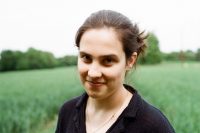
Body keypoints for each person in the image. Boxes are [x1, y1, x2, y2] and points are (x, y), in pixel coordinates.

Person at [55, 10, 175, 133]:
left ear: (130, 61)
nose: (93, 73)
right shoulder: (67, 112)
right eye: (86, 58)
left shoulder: (153, 125)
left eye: (108, 60)